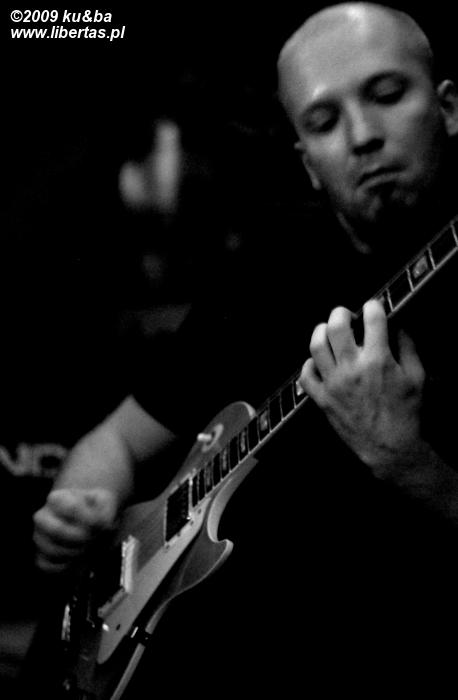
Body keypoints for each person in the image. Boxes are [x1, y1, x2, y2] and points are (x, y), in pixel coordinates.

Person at [31, 2, 458, 696]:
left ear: (449, 108)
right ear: (307, 162)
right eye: (324, 122)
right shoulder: (268, 269)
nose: (362, 136)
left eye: (386, 94)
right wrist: (77, 504)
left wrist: (405, 460)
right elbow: (115, 441)